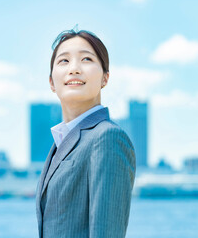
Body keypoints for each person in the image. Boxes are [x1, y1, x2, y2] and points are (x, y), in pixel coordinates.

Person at [35, 27, 136, 238]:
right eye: (63, 61)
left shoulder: (107, 138)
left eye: (87, 59)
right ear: (52, 82)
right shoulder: (60, 144)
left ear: (105, 78)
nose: (74, 69)